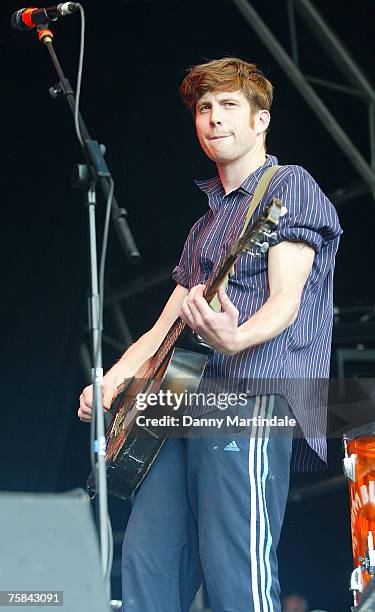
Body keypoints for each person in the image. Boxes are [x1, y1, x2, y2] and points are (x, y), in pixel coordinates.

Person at [78, 58, 342, 612]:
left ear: (260, 119)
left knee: (234, 573)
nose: (213, 118)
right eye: (204, 108)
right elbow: (162, 327)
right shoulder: (204, 226)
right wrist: (112, 381)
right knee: (150, 564)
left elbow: (285, 303)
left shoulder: (288, 185)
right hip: (180, 407)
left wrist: (237, 338)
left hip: (250, 400)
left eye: (228, 106)